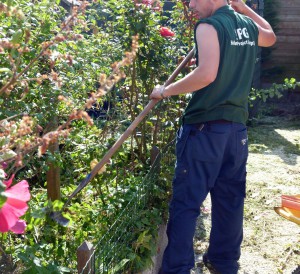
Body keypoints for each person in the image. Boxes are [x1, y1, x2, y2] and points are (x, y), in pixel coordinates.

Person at [150, 0, 276, 273]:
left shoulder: (209, 25)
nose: (191, 5)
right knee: (230, 200)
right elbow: (270, 35)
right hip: (236, 133)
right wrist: (243, 8)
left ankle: (177, 269)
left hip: (204, 130)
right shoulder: (245, 25)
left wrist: (165, 90)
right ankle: (223, 262)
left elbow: (207, 74)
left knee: (186, 203)